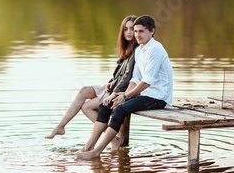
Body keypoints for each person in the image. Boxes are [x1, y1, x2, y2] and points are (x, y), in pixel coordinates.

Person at [75, 15, 173, 159]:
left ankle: (97, 152)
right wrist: (120, 95)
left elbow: (147, 81)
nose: (137, 35)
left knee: (120, 109)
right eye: (135, 31)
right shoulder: (139, 50)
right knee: (105, 105)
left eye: (141, 31)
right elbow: (136, 79)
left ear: (151, 31)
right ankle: (88, 147)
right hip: (144, 94)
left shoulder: (155, 49)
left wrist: (126, 96)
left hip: (158, 97)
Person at [45, 15, 138, 145]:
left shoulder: (137, 50)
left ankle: (114, 140)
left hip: (124, 91)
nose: (129, 32)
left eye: (132, 29)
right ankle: (60, 126)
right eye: (125, 29)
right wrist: (111, 82)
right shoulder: (127, 48)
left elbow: (128, 77)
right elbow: (119, 74)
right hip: (115, 85)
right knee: (84, 91)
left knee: (86, 107)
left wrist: (113, 93)